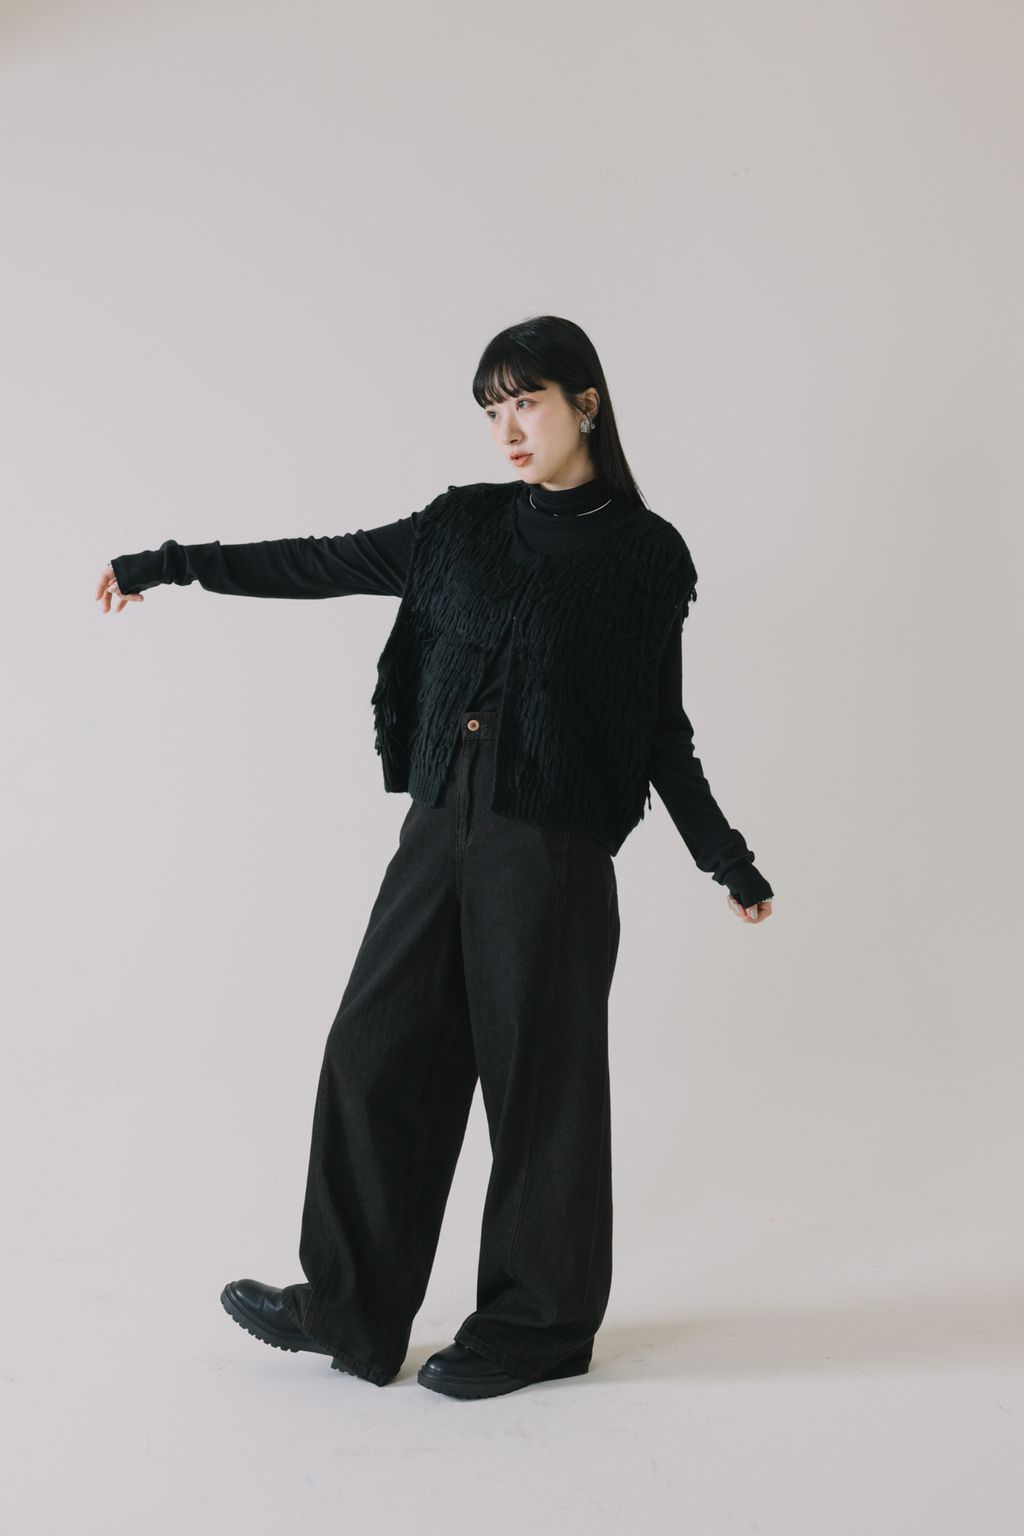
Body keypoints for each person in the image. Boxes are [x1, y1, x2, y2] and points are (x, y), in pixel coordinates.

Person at [96, 314, 774, 1400]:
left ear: (585, 403)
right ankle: (350, 1306)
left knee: (538, 1088)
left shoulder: (646, 556)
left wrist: (723, 857)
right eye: (492, 410)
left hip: (547, 851)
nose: (508, 431)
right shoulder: (461, 525)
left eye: (527, 402)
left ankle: (537, 1326)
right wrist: (170, 566)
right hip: (437, 831)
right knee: (374, 1051)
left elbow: (658, 727)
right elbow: (319, 561)